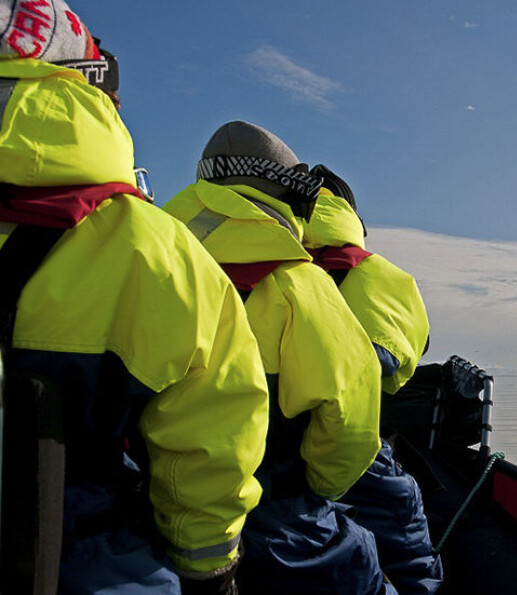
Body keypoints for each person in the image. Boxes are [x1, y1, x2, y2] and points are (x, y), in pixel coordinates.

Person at [0, 2, 270, 593]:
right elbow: (210, 449)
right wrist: (208, 566)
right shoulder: (158, 253)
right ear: (89, 88)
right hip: (83, 554)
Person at [162, 121, 394, 595]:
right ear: (287, 195)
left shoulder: (145, 252)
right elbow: (351, 421)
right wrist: (318, 489)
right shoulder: (297, 285)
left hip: (143, 510)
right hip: (274, 511)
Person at [303, 168, 441, 594]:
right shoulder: (382, 276)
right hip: (355, 445)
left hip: (259, 443)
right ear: (352, 219)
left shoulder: (262, 264)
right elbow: (407, 355)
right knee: (404, 537)